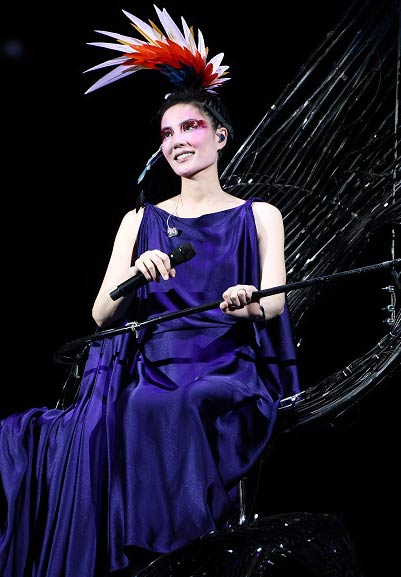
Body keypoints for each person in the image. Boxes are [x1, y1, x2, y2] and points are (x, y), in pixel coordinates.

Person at [0, 6, 300, 576]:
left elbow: (276, 301)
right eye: (167, 133)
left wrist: (248, 298)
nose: (178, 140)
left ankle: (186, 554)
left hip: (225, 363)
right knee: (139, 404)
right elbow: (100, 313)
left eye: (191, 127)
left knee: (189, 402)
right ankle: (150, 559)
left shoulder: (260, 215)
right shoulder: (140, 221)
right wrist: (138, 272)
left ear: (220, 136)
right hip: (155, 366)